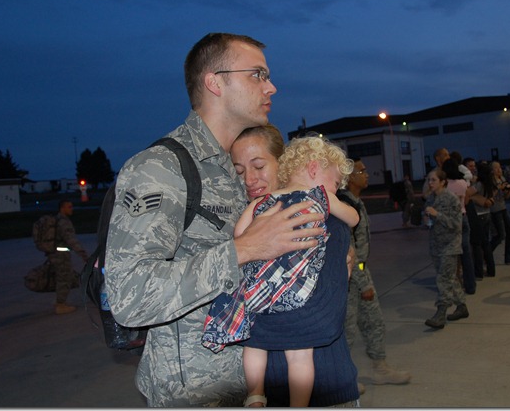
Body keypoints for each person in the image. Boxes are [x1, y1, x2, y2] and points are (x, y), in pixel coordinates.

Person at [104, 33, 326, 407]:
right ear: (215, 83)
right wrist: (243, 249)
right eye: (257, 74)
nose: (271, 86)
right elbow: (129, 296)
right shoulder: (161, 168)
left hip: (254, 384)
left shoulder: (234, 169)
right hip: (197, 394)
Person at [202, 135, 359, 407]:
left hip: (328, 389)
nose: (249, 179)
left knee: (258, 347)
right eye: (239, 171)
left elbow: (326, 317)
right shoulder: (319, 203)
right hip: (291, 366)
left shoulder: (324, 220)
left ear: (282, 162)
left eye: (259, 166)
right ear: (313, 168)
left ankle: (255, 394)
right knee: (297, 355)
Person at [338, 158, 412, 393]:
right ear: (350, 177)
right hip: (349, 278)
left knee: (374, 323)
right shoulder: (345, 206)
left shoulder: (356, 202)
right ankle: (342, 379)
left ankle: (380, 369)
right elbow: (348, 251)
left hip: (360, 271)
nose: (367, 174)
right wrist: (363, 283)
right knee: (347, 331)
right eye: (362, 171)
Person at [423, 168, 468, 329]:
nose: (430, 183)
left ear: (443, 182)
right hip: (436, 245)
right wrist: (426, 219)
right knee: (450, 278)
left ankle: (441, 313)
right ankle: (461, 306)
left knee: (443, 279)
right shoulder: (431, 199)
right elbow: (428, 220)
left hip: (450, 245)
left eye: (433, 180)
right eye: (429, 180)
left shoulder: (451, 199)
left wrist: (437, 215)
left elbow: (456, 224)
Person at [442, 158, 476, 294]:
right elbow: (466, 201)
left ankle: (453, 285)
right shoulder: (462, 183)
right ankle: (471, 286)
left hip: (450, 220)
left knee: (450, 255)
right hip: (463, 217)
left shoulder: (444, 186)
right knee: (466, 254)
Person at [51, 199, 89, 315]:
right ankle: (60, 305)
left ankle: (59, 301)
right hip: (61, 255)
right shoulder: (63, 222)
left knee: (62, 278)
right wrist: (82, 253)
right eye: (69, 207)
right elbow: (71, 240)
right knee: (64, 279)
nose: (71, 209)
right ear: (62, 208)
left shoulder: (57, 220)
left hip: (56, 253)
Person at [469, 162, 497, 278]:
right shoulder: (490, 184)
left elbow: (467, 193)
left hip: (478, 215)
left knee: (477, 245)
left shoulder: (479, 184)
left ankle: (478, 272)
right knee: (486, 243)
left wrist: (473, 197)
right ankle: (491, 270)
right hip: (487, 214)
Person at [489, 161, 510, 265]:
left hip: (503, 208)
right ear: (492, 170)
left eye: (499, 167)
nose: (499, 170)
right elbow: (491, 195)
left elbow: (506, 197)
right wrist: (498, 187)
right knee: (500, 235)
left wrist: (509, 191)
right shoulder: (490, 181)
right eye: (496, 168)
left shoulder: (502, 179)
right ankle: (486, 253)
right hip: (495, 210)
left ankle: (509, 258)